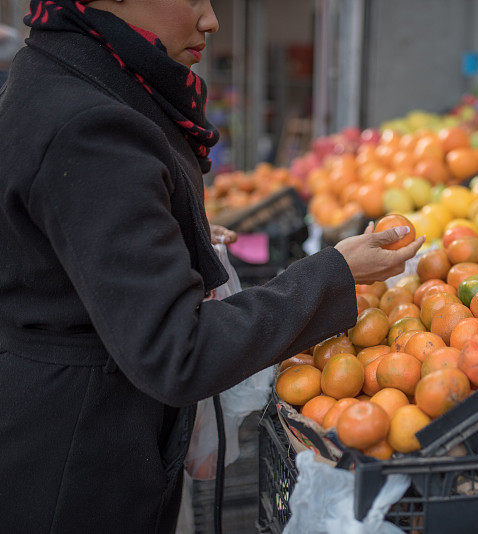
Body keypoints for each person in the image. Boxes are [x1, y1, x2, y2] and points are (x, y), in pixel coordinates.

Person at [0, 0, 424, 532]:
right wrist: (333, 271)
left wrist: (170, 234)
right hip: (77, 470)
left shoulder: (60, 75)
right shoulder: (89, 126)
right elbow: (178, 350)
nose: (211, 19)